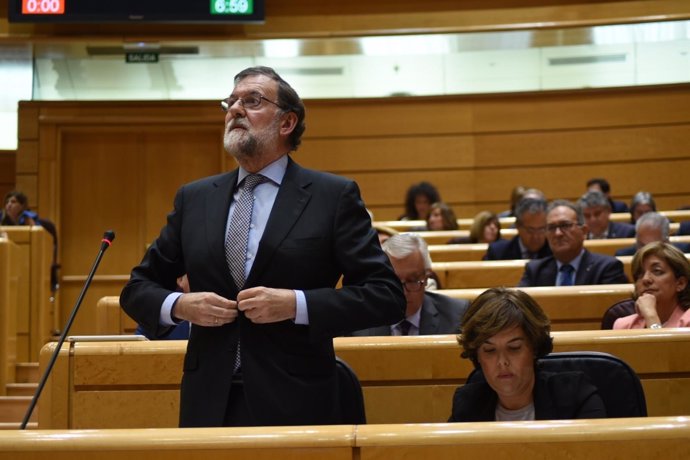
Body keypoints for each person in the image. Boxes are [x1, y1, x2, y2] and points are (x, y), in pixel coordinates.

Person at [120, 66, 406, 428]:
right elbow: (136, 290)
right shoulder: (195, 199)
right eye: (231, 101)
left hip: (297, 402)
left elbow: (385, 295)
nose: (235, 109)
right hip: (209, 402)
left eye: (252, 101)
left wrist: (296, 304)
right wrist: (181, 305)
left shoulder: (332, 197)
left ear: (286, 122)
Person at [448, 287, 606, 422]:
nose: (502, 362)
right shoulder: (467, 405)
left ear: (534, 348)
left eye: (514, 348)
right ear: (478, 357)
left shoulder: (576, 397)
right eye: (490, 351)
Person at [351, 233, 469, 336]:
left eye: (412, 280)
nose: (404, 292)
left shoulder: (456, 317)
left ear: (427, 277)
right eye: (395, 282)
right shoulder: (358, 320)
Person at [518, 200, 628, 287]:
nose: (558, 233)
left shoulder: (607, 268)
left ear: (584, 231)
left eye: (565, 225)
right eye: (551, 227)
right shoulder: (534, 270)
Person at [613, 242, 690, 329]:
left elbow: (661, 343)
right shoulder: (624, 326)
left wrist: (651, 316)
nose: (645, 279)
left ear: (680, 283)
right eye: (640, 274)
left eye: (657, 271)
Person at [484, 197, 552, 260]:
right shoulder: (497, 252)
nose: (536, 236)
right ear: (517, 226)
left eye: (541, 229)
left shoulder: (555, 252)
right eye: (530, 230)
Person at [614, 212, 690, 256]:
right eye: (642, 245)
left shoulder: (683, 252)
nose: (646, 252)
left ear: (666, 241)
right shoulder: (623, 255)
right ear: (636, 238)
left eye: (653, 246)